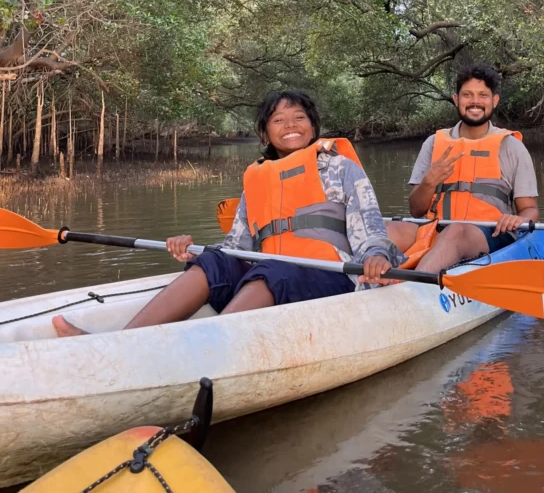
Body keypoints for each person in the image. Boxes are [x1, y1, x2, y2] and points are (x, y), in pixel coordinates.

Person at [53, 91, 402, 337]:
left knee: (275, 266)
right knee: (215, 261)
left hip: (329, 277)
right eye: (279, 119)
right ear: (265, 132)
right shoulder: (257, 177)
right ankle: (124, 340)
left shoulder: (341, 168)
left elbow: (369, 226)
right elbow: (237, 244)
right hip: (271, 274)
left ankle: (208, 344)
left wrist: (374, 256)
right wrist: (195, 252)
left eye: (300, 117)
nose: (291, 125)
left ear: (313, 125)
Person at [387, 63, 544, 272]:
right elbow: (416, 211)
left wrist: (519, 219)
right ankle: (363, 281)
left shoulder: (512, 147)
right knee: (387, 229)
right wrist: (428, 182)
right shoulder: (433, 144)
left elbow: (530, 209)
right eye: (467, 95)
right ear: (456, 99)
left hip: (490, 234)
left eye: (483, 95)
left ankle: (412, 288)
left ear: (494, 101)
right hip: (434, 228)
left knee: (456, 231)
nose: (475, 101)